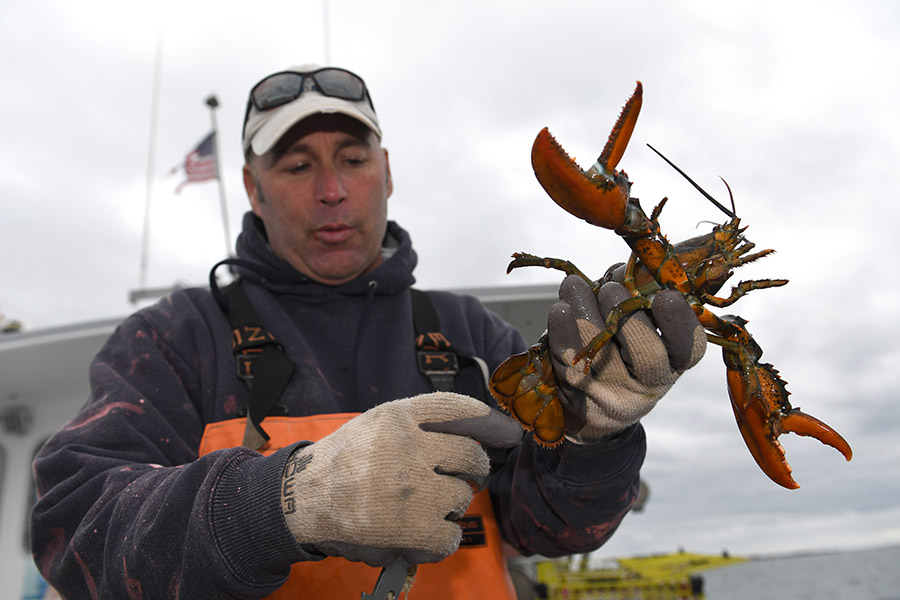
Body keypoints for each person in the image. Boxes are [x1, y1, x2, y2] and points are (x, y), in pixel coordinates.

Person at [31, 65, 707, 599]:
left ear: (387, 171)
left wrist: (597, 438)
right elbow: (73, 529)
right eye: (297, 166)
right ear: (252, 187)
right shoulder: (174, 338)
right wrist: (285, 503)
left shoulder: (468, 330)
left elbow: (555, 526)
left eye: (353, 159)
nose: (331, 189)